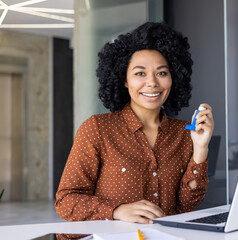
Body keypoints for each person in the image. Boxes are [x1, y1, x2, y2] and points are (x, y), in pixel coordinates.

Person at [55, 22, 214, 224]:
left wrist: (200, 148)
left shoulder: (184, 133)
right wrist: (116, 210)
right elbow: (66, 200)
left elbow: (185, 205)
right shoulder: (97, 129)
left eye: (162, 73)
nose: (152, 83)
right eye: (140, 73)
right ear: (124, 80)